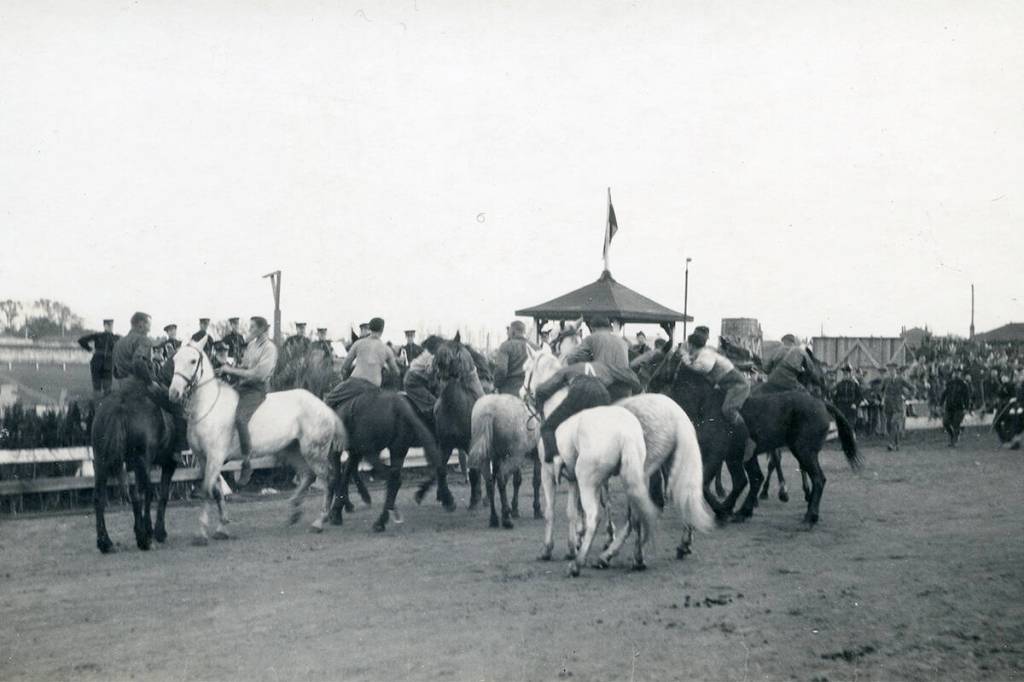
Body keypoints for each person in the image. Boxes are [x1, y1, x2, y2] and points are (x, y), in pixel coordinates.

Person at [534, 316, 641, 463]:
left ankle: (565, 457)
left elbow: (572, 357)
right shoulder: (622, 342)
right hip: (625, 389)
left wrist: (585, 363)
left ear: (593, 328)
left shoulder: (592, 339)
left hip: (603, 388)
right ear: (609, 327)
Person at [112, 312, 187, 462]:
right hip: (141, 388)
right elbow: (138, 362)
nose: (149, 327)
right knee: (178, 408)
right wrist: (149, 382)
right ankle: (178, 451)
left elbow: (115, 371)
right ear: (140, 324)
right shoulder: (143, 340)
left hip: (121, 389)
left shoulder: (119, 343)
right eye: (148, 324)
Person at [216, 316, 278, 486]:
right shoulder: (251, 345)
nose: (249, 331)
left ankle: (246, 464)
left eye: (252, 328)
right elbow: (244, 367)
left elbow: (259, 374)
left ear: (261, 329)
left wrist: (232, 370)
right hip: (244, 386)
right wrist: (224, 367)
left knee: (241, 419)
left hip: (258, 389)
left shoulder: (269, 348)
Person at [680, 329, 758, 463]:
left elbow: (702, 368)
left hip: (737, 386)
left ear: (692, 345)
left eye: (689, 346)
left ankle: (748, 441)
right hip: (727, 385)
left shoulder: (705, 355)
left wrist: (685, 357)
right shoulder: (704, 353)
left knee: (728, 410)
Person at [324, 317, 400, 420]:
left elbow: (345, 366)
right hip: (374, 386)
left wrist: (344, 378)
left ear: (369, 328)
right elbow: (396, 372)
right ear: (382, 330)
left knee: (328, 400)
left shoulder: (358, 344)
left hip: (355, 383)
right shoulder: (386, 349)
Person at [78, 319, 119, 396]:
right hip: (97, 363)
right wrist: (90, 349)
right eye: (109, 325)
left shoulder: (116, 338)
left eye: (111, 325)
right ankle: (97, 404)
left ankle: (105, 406)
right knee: (97, 388)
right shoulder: (98, 336)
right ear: (105, 326)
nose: (110, 327)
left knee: (107, 389)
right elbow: (81, 340)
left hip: (108, 364)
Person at [881, 363, 915, 451]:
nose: (891, 372)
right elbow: (881, 390)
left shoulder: (900, 379)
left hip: (898, 406)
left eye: (892, 370)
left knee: (893, 423)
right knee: (889, 425)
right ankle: (897, 444)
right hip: (888, 406)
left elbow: (912, 388)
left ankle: (891, 444)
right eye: (889, 370)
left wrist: (906, 397)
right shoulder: (886, 380)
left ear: (896, 370)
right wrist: (882, 398)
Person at [492, 321, 531, 396]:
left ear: (513, 331)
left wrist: (496, 385)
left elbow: (501, 369)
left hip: (509, 392)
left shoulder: (506, 346)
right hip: (529, 393)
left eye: (509, 331)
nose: (507, 333)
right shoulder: (535, 348)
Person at [940, 367, 973, 447]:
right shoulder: (949, 383)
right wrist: (941, 404)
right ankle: (952, 436)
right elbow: (944, 394)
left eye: (958, 373)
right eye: (955, 373)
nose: (956, 374)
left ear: (960, 374)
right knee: (945, 423)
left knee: (956, 423)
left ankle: (954, 440)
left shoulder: (963, 385)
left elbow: (967, 397)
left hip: (959, 407)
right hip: (949, 407)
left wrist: (966, 408)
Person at [833, 364, 862, 430]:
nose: (845, 374)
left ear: (850, 374)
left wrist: (855, 404)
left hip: (851, 406)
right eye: (844, 373)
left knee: (850, 424)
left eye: (847, 373)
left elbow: (860, 396)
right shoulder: (839, 384)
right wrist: (836, 405)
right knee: (841, 423)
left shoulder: (855, 384)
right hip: (841, 406)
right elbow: (835, 397)